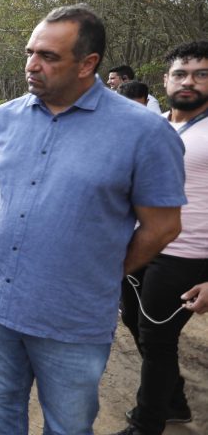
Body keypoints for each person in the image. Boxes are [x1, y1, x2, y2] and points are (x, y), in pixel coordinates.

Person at [0, 5, 186, 435]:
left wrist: (104, 270)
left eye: (48, 56)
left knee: (68, 424)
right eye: (30, 52)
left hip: (72, 317)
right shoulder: (1, 119)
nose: (32, 64)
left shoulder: (144, 131)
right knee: (2, 400)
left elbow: (163, 226)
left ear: (89, 64)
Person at [113, 41, 208, 435]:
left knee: (157, 339)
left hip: (187, 254)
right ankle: (175, 401)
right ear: (165, 80)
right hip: (139, 247)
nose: (189, 82)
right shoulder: (154, 125)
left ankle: (146, 423)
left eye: (202, 74)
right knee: (137, 326)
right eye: (181, 74)